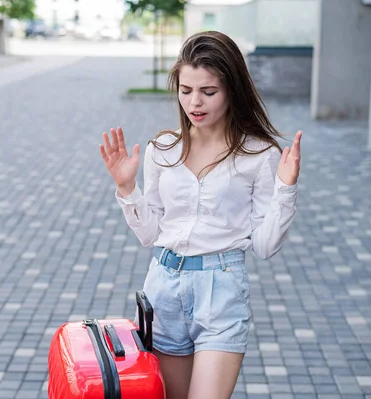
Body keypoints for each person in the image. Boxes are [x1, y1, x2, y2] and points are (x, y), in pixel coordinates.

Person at [99, 31, 301, 399]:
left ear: (232, 90)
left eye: (209, 92)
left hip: (220, 290)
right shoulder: (163, 149)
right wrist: (127, 189)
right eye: (186, 89)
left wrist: (286, 190)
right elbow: (150, 234)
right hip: (163, 287)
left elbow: (266, 245)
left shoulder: (258, 154)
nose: (195, 102)